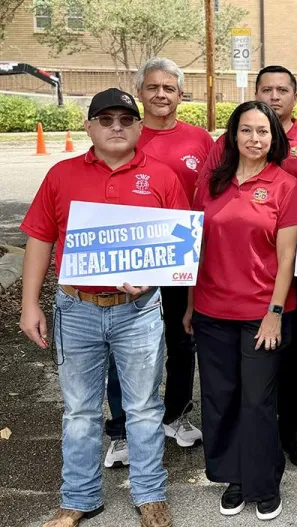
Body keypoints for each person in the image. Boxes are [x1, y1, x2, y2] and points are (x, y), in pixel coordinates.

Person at [19, 88, 186, 527]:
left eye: (125, 119)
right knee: (79, 410)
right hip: (77, 308)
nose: (116, 127)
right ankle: (78, 498)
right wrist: (29, 303)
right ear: (89, 126)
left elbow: (183, 245)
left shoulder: (164, 177)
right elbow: (39, 238)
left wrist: (153, 277)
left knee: (145, 408)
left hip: (139, 311)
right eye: (106, 119)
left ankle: (151, 495)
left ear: (138, 127)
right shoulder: (61, 175)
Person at [200, 64, 297, 469]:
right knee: (240, 372)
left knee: (294, 360)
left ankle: (293, 431)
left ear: (296, 96)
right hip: (242, 274)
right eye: (266, 89)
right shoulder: (229, 146)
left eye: (282, 90)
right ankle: (245, 445)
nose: (274, 96)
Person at [186, 101, 297, 521]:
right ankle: (233, 477)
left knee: (257, 399)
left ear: (275, 137)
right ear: (233, 136)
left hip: (261, 312)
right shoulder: (211, 183)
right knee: (221, 398)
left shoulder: (286, 185)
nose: (255, 139)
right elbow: (194, 250)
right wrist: (190, 305)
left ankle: (263, 482)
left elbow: (287, 257)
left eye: (264, 131)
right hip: (212, 311)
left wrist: (274, 311)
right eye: (247, 130)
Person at [101, 58, 214, 467]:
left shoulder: (202, 140)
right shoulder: (124, 134)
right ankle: (121, 429)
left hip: (182, 255)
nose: (161, 94)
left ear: (181, 95)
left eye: (169, 88)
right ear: (140, 92)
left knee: (182, 337)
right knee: (123, 345)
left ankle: (175, 414)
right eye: (153, 87)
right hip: (131, 258)